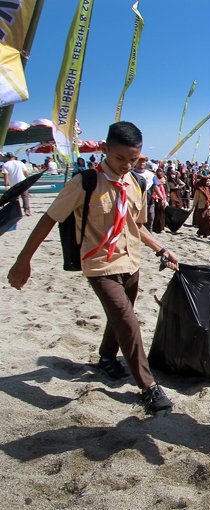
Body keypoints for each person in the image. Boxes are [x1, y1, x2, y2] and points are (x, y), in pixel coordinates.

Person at [6, 121, 178, 414]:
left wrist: (162, 248)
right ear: (104, 149)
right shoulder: (84, 182)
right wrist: (23, 261)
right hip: (99, 265)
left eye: (132, 159)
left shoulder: (136, 183)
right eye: (119, 158)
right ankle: (148, 387)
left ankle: (107, 358)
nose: (126, 165)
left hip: (130, 262)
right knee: (127, 321)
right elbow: (48, 219)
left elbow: (136, 226)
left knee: (119, 316)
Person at [132, 156, 156, 231]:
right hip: (134, 202)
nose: (141, 163)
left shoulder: (150, 174)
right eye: (139, 161)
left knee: (150, 219)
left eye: (143, 161)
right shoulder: (130, 174)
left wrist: (163, 198)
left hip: (148, 201)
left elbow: (155, 186)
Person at [151, 168, 168, 233]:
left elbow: (165, 189)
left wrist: (165, 197)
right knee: (156, 213)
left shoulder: (164, 179)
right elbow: (155, 189)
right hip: (155, 198)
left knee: (162, 213)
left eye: (161, 172)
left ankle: (161, 227)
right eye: (159, 172)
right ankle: (155, 227)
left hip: (163, 197)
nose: (160, 173)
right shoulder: (154, 179)